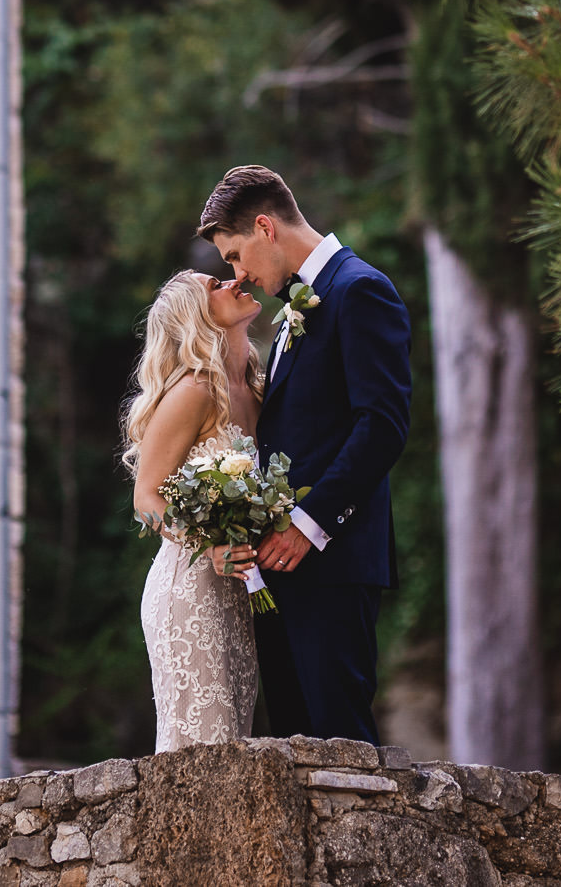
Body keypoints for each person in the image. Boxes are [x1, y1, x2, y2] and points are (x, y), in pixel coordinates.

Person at [196, 165, 412, 745]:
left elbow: (383, 426)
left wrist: (308, 526)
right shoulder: (297, 307)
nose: (238, 275)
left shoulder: (359, 289)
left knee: (341, 745)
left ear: (265, 226)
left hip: (332, 559)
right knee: (292, 746)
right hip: (281, 567)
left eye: (236, 255)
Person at [125, 268, 268, 749]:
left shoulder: (256, 388)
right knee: (201, 749)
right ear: (197, 317)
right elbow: (146, 499)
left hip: (239, 592)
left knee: (233, 742)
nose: (233, 281)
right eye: (215, 285)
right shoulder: (194, 391)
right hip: (189, 590)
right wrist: (207, 547)